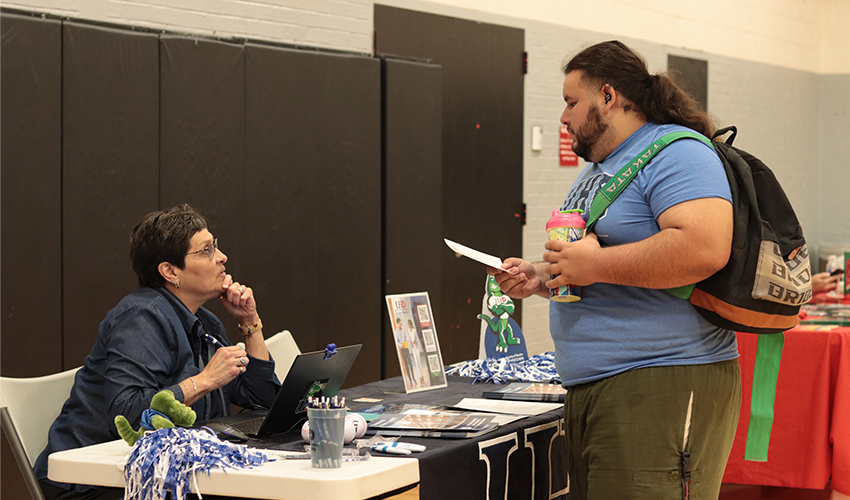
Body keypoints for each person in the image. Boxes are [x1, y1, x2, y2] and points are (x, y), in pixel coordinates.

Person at [490, 40, 740, 500]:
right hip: (598, 385)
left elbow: (704, 248)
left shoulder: (678, 153)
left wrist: (595, 264)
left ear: (608, 97)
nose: (563, 117)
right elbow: (596, 268)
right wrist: (542, 278)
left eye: (571, 103)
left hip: (660, 381)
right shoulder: (601, 168)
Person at [34, 204, 280, 500]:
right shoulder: (140, 318)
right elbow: (128, 411)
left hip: (164, 475)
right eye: (206, 250)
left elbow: (263, 400)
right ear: (170, 271)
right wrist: (205, 380)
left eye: (215, 247)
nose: (222, 257)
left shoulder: (205, 321)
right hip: (92, 484)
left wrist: (250, 324)